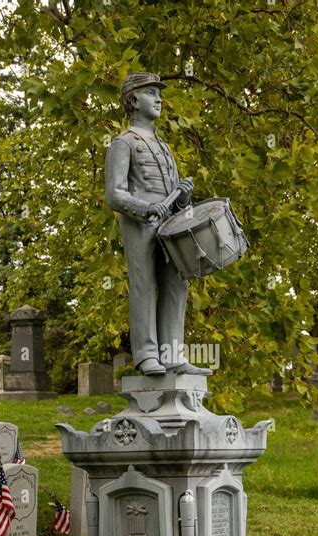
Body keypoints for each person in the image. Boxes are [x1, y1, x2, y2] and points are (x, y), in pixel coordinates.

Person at [105, 72, 211, 376]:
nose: (159, 98)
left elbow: (173, 193)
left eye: (158, 93)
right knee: (144, 285)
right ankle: (147, 355)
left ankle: (173, 355)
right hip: (140, 223)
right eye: (151, 93)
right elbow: (114, 194)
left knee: (178, 283)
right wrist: (145, 208)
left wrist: (182, 198)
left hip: (170, 222)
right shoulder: (122, 143)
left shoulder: (164, 147)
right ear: (134, 100)